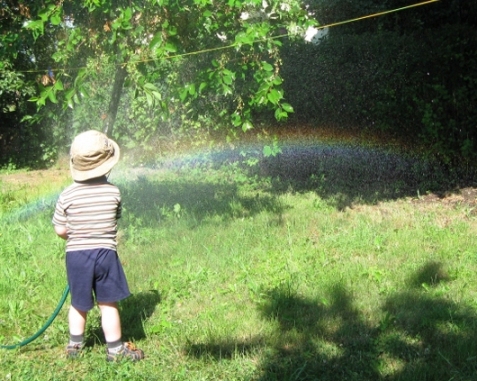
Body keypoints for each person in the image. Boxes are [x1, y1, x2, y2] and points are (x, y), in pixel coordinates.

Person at [52, 130, 144, 362]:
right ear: (107, 165)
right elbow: (114, 220)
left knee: (78, 303)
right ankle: (114, 348)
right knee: (108, 303)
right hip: (106, 254)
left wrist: (74, 237)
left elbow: (60, 229)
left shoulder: (67, 195)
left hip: (77, 256)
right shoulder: (114, 192)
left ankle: (74, 345)